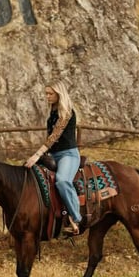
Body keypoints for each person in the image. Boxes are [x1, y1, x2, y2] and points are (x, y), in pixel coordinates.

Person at [24, 81, 83, 235]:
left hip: (68, 154)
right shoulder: (52, 111)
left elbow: (54, 136)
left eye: (50, 93)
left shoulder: (67, 112)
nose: (47, 96)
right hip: (53, 155)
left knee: (62, 181)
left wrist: (37, 154)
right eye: (46, 93)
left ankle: (76, 218)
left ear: (59, 94)